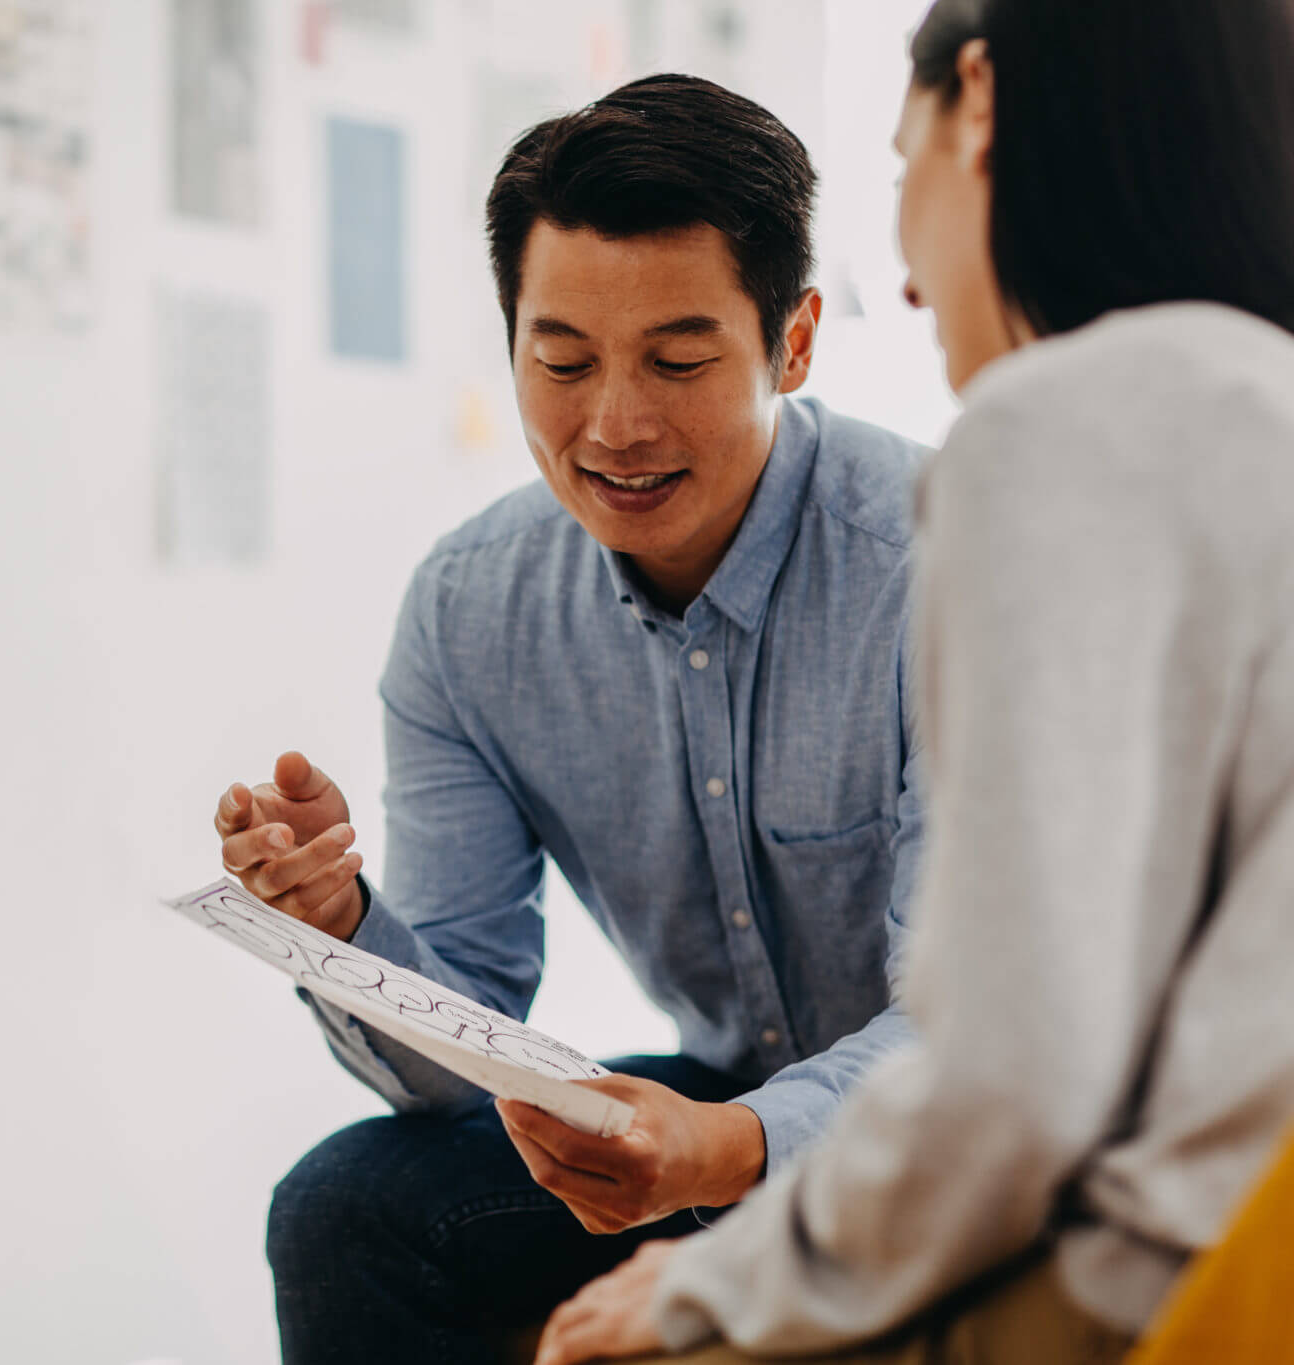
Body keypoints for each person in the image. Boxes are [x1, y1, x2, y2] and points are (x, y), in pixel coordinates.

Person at [528, 2, 1294, 1361]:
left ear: (981, 98)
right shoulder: (1260, 403)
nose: (911, 269)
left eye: (899, 166)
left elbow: (1010, 1081)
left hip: (1188, 1284)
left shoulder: (1055, 431)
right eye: (565, 358)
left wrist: (716, 1289)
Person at [213, 75, 932, 1364]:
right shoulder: (470, 611)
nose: (614, 426)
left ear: (796, 341)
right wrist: (341, 934)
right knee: (350, 1206)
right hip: (733, 1101)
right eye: (562, 362)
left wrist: (727, 1150)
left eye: (679, 359)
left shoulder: (947, 567)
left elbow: (984, 1026)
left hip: (958, 1124)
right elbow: (455, 1059)